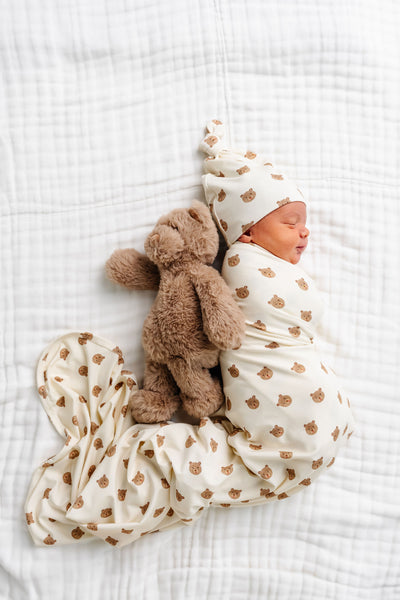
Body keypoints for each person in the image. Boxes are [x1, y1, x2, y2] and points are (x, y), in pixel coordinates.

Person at [24, 121, 355, 548]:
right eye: (291, 222)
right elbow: (287, 311)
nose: (304, 232)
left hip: (300, 389)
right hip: (287, 412)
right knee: (218, 456)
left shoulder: (262, 267)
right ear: (248, 231)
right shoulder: (242, 264)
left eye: (303, 223)